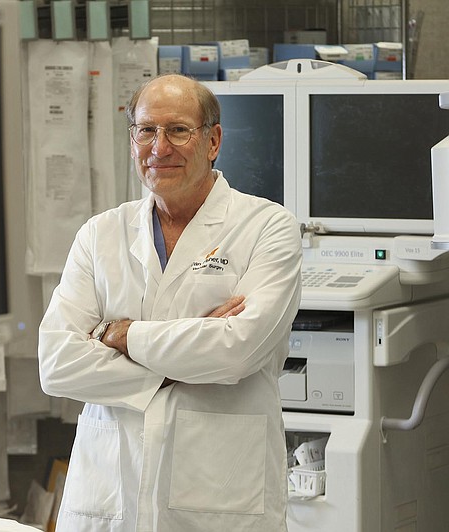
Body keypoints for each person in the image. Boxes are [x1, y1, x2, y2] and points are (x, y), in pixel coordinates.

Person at [37, 74, 302, 531]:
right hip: (110, 493)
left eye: (178, 130)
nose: (160, 146)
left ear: (213, 140)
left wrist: (119, 335)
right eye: (146, 130)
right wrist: (189, 360)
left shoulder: (267, 227)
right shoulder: (101, 234)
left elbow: (235, 351)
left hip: (219, 492)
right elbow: (57, 365)